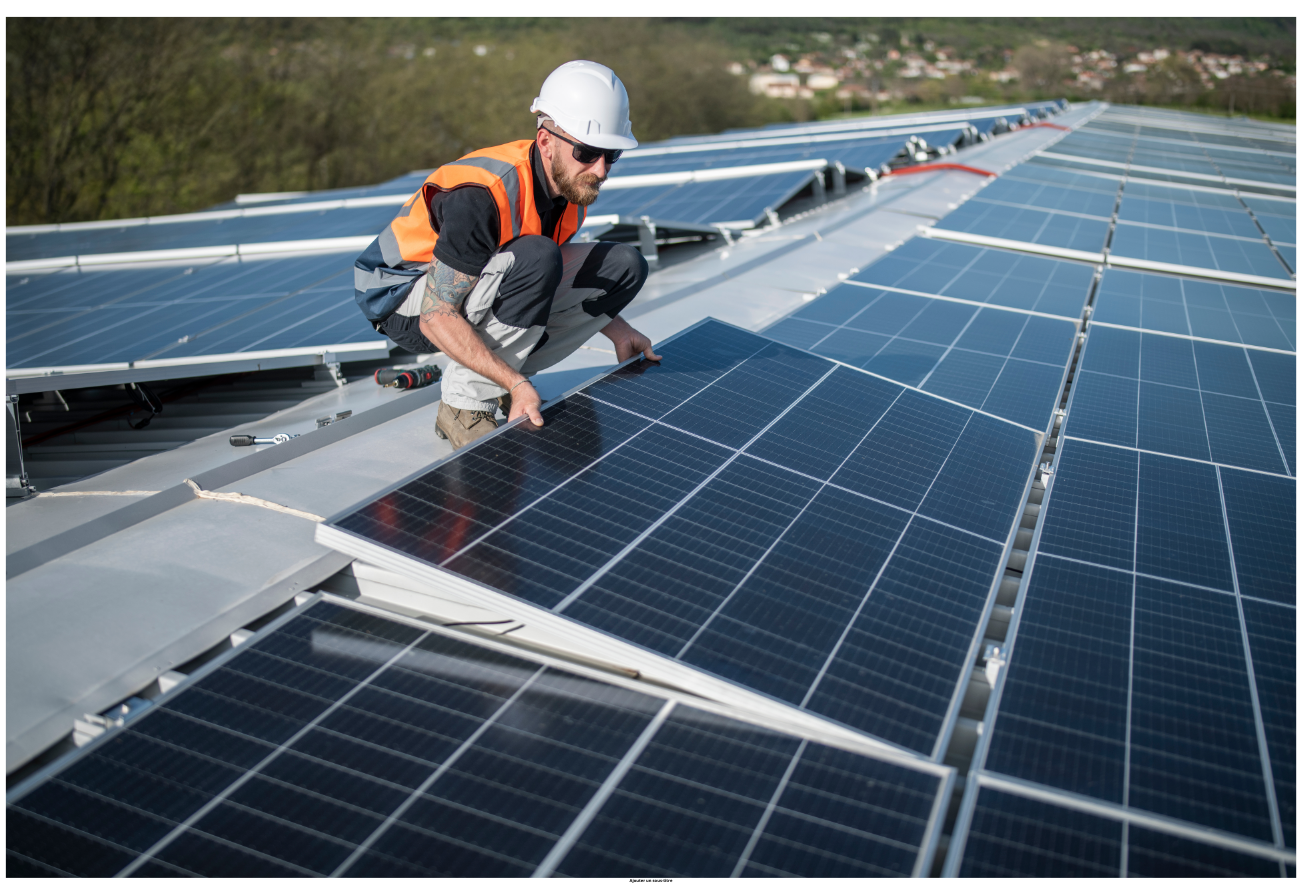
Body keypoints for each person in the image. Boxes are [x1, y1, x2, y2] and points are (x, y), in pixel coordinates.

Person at [354, 60, 661, 449]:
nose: (600, 170)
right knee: (537, 257)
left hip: (474, 286)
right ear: (546, 141)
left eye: (611, 155)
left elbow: (552, 281)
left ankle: (497, 376)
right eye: (587, 151)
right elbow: (435, 315)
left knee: (624, 266)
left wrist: (620, 330)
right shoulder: (481, 196)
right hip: (404, 299)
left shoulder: (570, 188)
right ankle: (464, 406)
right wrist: (517, 383)